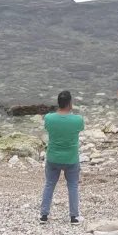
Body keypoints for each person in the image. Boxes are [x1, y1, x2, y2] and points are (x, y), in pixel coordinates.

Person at [39, 90, 85, 225]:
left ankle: (44, 215)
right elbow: (80, 128)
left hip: (53, 157)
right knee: (72, 186)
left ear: (58, 103)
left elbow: (48, 127)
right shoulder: (78, 120)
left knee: (49, 184)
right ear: (70, 103)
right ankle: (74, 217)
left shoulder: (49, 118)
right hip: (71, 158)